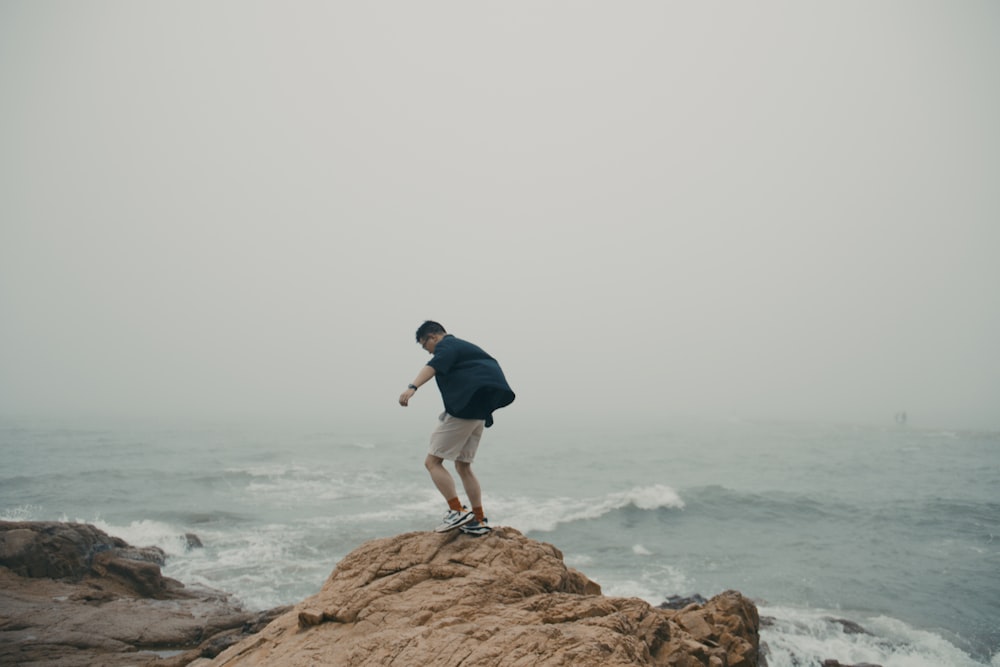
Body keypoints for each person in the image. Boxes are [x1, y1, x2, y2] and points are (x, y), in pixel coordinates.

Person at [398, 321, 515, 536]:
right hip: (479, 413)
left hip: (464, 411)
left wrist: (412, 387)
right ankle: (478, 519)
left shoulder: (447, 345)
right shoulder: (466, 349)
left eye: (426, 346)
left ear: (432, 336)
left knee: (432, 462)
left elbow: (433, 366)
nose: (429, 351)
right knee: (463, 466)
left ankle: (457, 511)